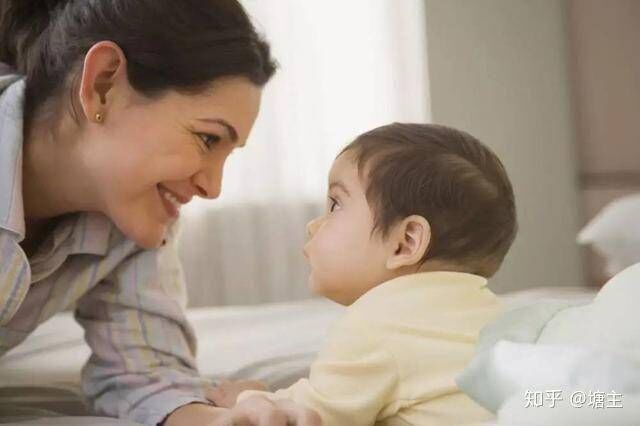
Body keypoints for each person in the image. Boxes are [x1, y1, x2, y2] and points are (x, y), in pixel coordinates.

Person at [0, 0, 320, 425]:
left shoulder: (132, 215)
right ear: (103, 84)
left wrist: (223, 421)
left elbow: (146, 375)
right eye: (207, 139)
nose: (212, 187)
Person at [208, 123, 518, 425]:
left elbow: (310, 415)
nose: (313, 226)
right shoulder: (496, 316)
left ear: (406, 242)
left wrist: (247, 398)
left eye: (335, 205)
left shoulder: (378, 324)